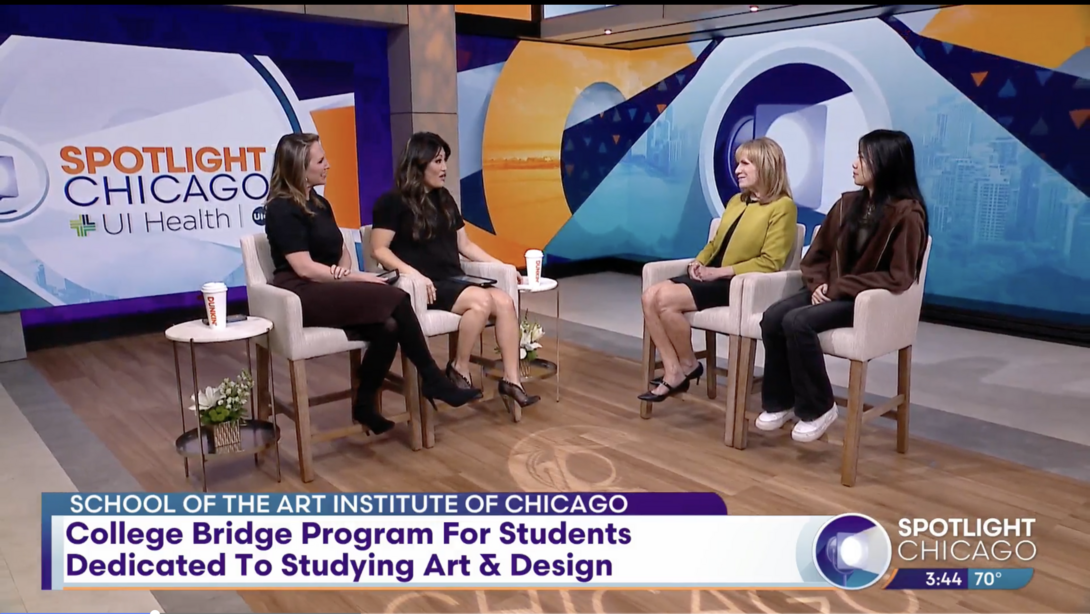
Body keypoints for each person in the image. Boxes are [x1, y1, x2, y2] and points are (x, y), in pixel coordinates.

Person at [262, 133, 482, 436]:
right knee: (395, 296)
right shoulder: (281, 208)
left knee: (389, 326)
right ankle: (433, 377)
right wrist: (357, 277)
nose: (329, 165)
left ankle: (365, 403)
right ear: (299, 167)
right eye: (321, 160)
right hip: (301, 291)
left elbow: (339, 251)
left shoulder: (320, 203)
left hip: (329, 285)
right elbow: (304, 267)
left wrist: (345, 268)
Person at [756, 129, 930, 442]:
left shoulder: (907, 213)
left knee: (797, 322)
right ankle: (781, 400)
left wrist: (840, 287)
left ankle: (818, 406)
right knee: (772, 317)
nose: (854, 164)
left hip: (864, 302)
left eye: (863, 158)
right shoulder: (846, 204)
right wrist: (819, 283)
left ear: (886, 162)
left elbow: (899, 276)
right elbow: (816, 256)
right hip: (829, 291)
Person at [370, 132, 541, 413]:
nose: (444, 167)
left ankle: (512, 380)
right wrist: (413, 274)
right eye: (438, 160)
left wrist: (502, 265)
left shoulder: (444, 198)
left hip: (454, 279)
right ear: (419, 163)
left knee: (505, 302)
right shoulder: (391, 202)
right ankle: (458, 368)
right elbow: (379, 250)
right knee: (482, 301)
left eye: (445, 160)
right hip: (424, 286)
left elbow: (465, 245)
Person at [639, 137, 798, 403]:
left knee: (664, 301)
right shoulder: (737, 201)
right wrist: (698, 262)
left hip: (737, 284)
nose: (737, 170)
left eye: (745, 163)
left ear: (766, 166)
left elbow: (771, 261)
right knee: (648, 297)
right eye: (738, 164)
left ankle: (687, 365)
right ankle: (675, 369)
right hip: (711, 276)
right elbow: (715, 244)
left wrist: (720, 273)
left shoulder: (783, 207)